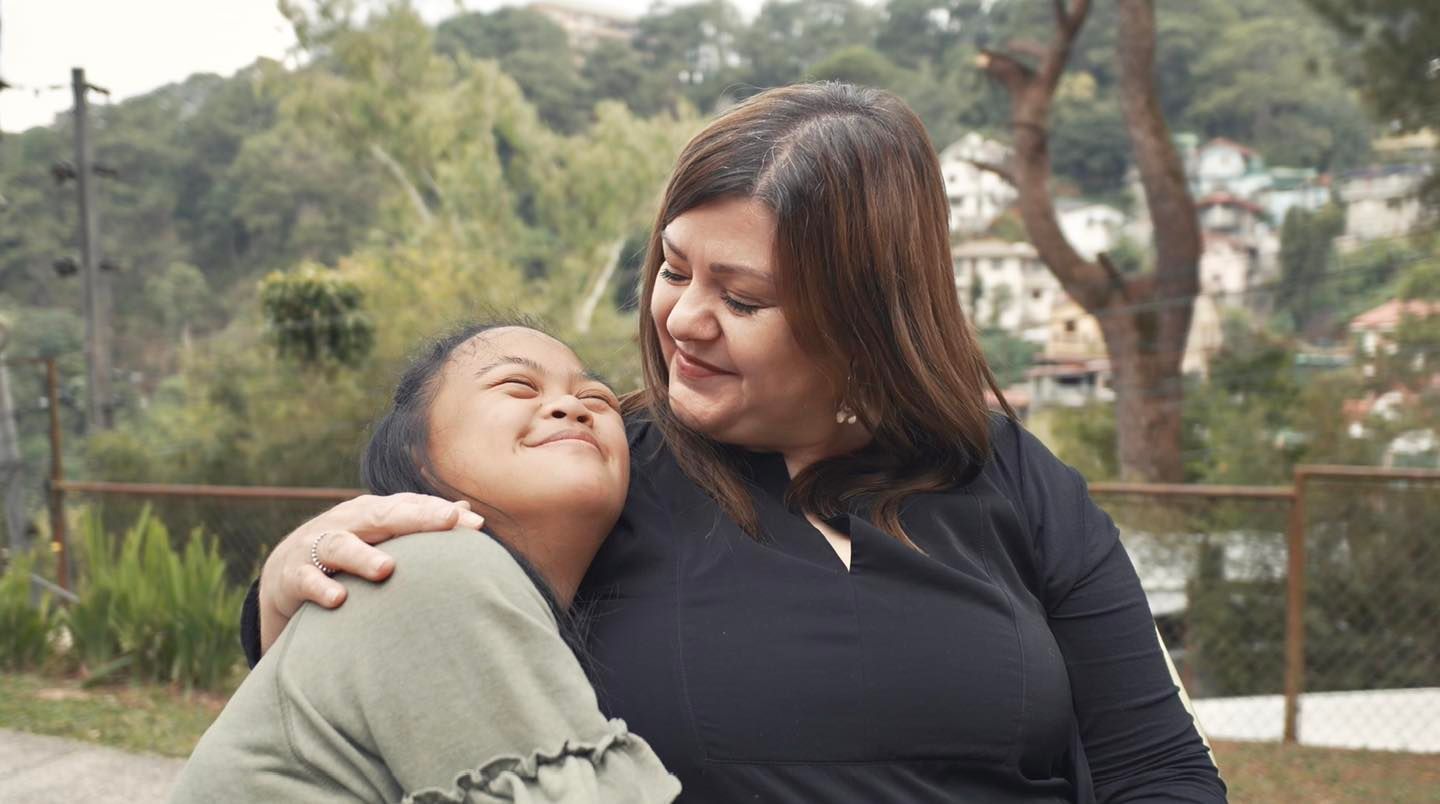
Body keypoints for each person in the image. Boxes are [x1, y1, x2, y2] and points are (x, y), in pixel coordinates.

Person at [244, 83, 1227, 802]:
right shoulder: (593, 475)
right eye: (674, 270)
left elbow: (1157, 768)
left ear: (863, 321)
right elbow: (399, 629)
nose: (684, 320)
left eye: (742, 298)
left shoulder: (1012, 477)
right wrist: (283, 588)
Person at [172, 323, 681, 803]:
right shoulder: (435, 567)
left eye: (597, 398)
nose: (572, 406)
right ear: (421, 452)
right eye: (519, 386)